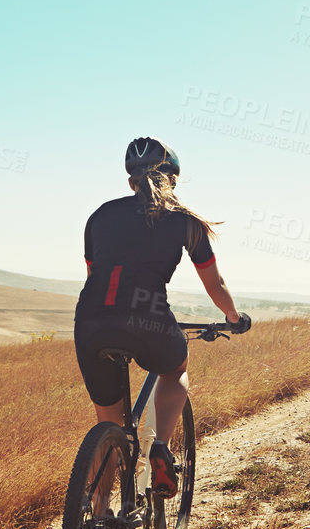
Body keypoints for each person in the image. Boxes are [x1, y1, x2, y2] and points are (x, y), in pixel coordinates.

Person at [75, 137, 248, 497]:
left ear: (130, 182)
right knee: (176, 368)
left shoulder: (100, 216)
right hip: (148, 318)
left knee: (108, 424)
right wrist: (233, 316)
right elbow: (214, 283)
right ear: (174, 179)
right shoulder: (186, 222)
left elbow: (95, 277)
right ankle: (160, 449)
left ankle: (101, 515)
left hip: (91, 320)